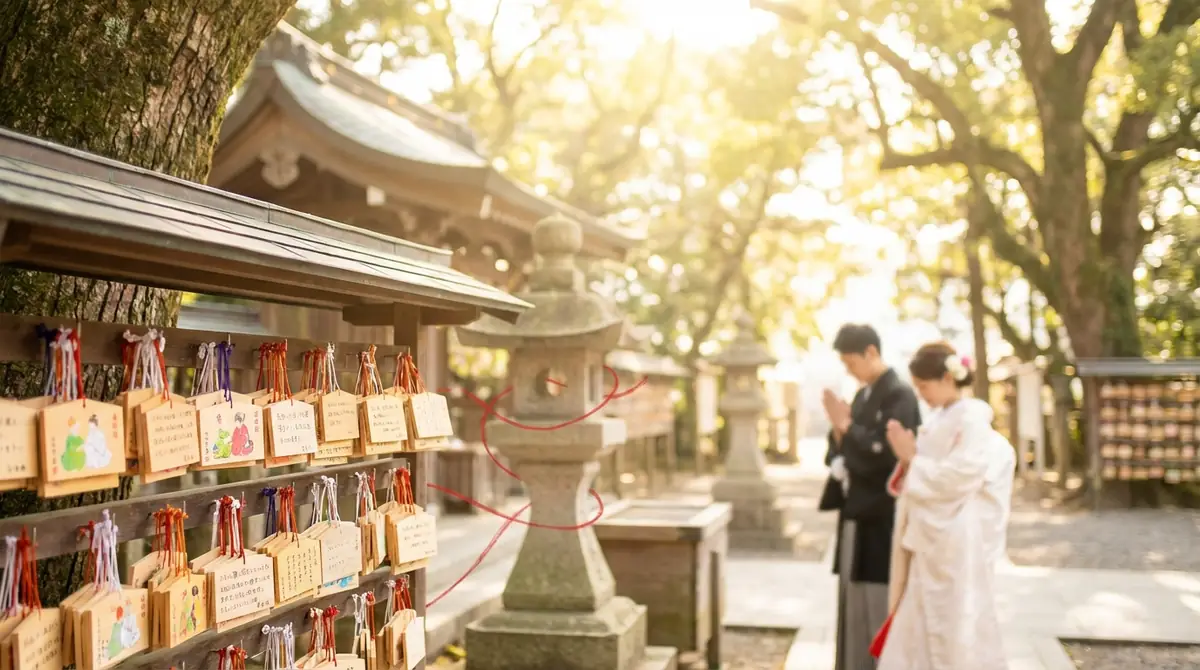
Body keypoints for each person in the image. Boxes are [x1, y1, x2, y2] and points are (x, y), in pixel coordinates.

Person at [876, 342, 1015, 670]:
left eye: (924, 386)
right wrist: (909, 460)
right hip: (933, 538)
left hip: (955, 539)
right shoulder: (941, 417)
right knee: (921, 622)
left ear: (948, 379)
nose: (921, 395)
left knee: (954, 625)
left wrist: (912, 459)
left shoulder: (972, 419)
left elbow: (963, 475)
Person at [821, 324, 922, 670]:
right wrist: (838, 429)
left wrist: (847, 428)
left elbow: (888, 457)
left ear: (871, 352)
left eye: (851, 362)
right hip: (857, 512)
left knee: (880, 599)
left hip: (883, 516)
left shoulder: (899, 395)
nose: (849, 371)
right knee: (853, 598)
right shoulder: (864, 395)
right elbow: (844, 448)